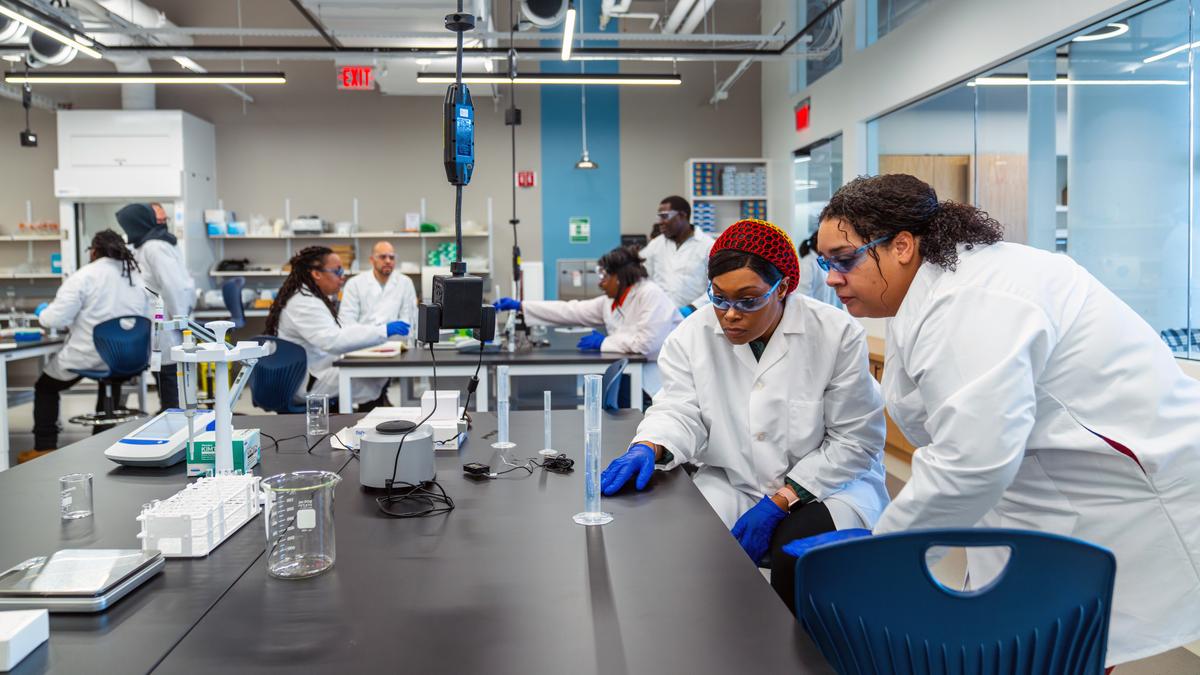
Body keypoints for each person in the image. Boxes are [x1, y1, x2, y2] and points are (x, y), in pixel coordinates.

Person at [794, 173, 1200, 669]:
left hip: (1127, 498)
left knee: (1059, 650)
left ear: (901, 246)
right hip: (1048, 493)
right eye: (825, 263)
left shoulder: (973, 299)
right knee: (1042, 647)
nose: (832, 277)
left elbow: (972, 462)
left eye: (844, 260)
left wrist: (879, 554)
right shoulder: (940, 288)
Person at [599, 219, 889, 611]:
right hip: (734, 480)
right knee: (692, 547)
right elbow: (680, 407)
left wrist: (783, 499)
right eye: (719, 298)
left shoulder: (834, 334)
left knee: (796, 557)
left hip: (829, 486)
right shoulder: (692, 334)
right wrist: (651, 445)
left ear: (782, 288)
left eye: (748, 300)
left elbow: (855, 440)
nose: (729, 314)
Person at [22, 230, 151, 461]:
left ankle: (44, 446)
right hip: (128, 358)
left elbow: (55, 319)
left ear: (94, 250)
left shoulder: (85, 275)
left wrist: (43, 313)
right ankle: (103, 441)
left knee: (45, 387)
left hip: (88, 353)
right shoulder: (135, 276)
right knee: (111, 380)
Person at [493, 246, 679, 396]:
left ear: (619, 277)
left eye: (604, 276)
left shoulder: (650, 294)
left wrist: (604, 342)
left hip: (657, 380)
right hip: (632, 373)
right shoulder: (610, 301)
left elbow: (646, 344)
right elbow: (571, 310)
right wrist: (521, 306)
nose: (600, 283)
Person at [265, 246, 409, 411]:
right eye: (337, 271)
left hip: (312, 371)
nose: (342, 277)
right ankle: (368, 419)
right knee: (371, 377)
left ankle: (369, 414)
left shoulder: (310, 297)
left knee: (371, 374)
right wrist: (383, 330)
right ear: (317, 273)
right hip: (306, 382)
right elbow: (334, 341)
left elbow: (337, 334)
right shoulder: (304, 303)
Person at [115, 202, 195, 411]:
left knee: (168, 376)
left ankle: (173, 421)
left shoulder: (151, 246)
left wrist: (181, 321)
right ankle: (171, 420)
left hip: (164, 320)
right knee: (166, 375)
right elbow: (171, 285)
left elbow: (173, 285)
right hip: (163, 321)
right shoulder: (151, 245)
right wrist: (182, 321)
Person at [640, 196, 714, 315]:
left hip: (694, 316)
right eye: (659, 217)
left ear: (682, 215)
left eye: (664, 216)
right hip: (659, 316)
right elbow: (642, 277)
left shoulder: (708, 246)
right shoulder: (656, 244)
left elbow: (716, 287)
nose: (660, 222)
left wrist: (693, 308)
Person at [338, 241, 417, 329]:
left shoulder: (405, 283)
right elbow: (347, 321)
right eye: (382, 257)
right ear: (372, 260)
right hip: (363, 341)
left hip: (396, 340)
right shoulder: (354, 284)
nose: (388, 261)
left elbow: (409, 319)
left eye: (391, 257)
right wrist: (375, 334)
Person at [796, 231, 840, 307]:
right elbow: (803, 296)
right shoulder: (807, 263)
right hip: (813, 315)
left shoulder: (827, 261)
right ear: (818, 243)